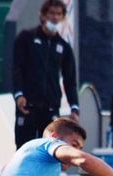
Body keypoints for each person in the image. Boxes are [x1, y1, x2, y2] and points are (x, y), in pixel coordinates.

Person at [12, 0, 79, 149]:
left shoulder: (64, 47)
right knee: (24, 149)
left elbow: (70, 80)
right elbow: (17, 69)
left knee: (49, 149)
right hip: (28, 106)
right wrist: (19, 94)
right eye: (51, 13)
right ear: (42, 15)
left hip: (51, 109)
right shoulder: (26, 38)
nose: (55, 17)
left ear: (63, 17)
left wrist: (74, 107)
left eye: (58, 14)